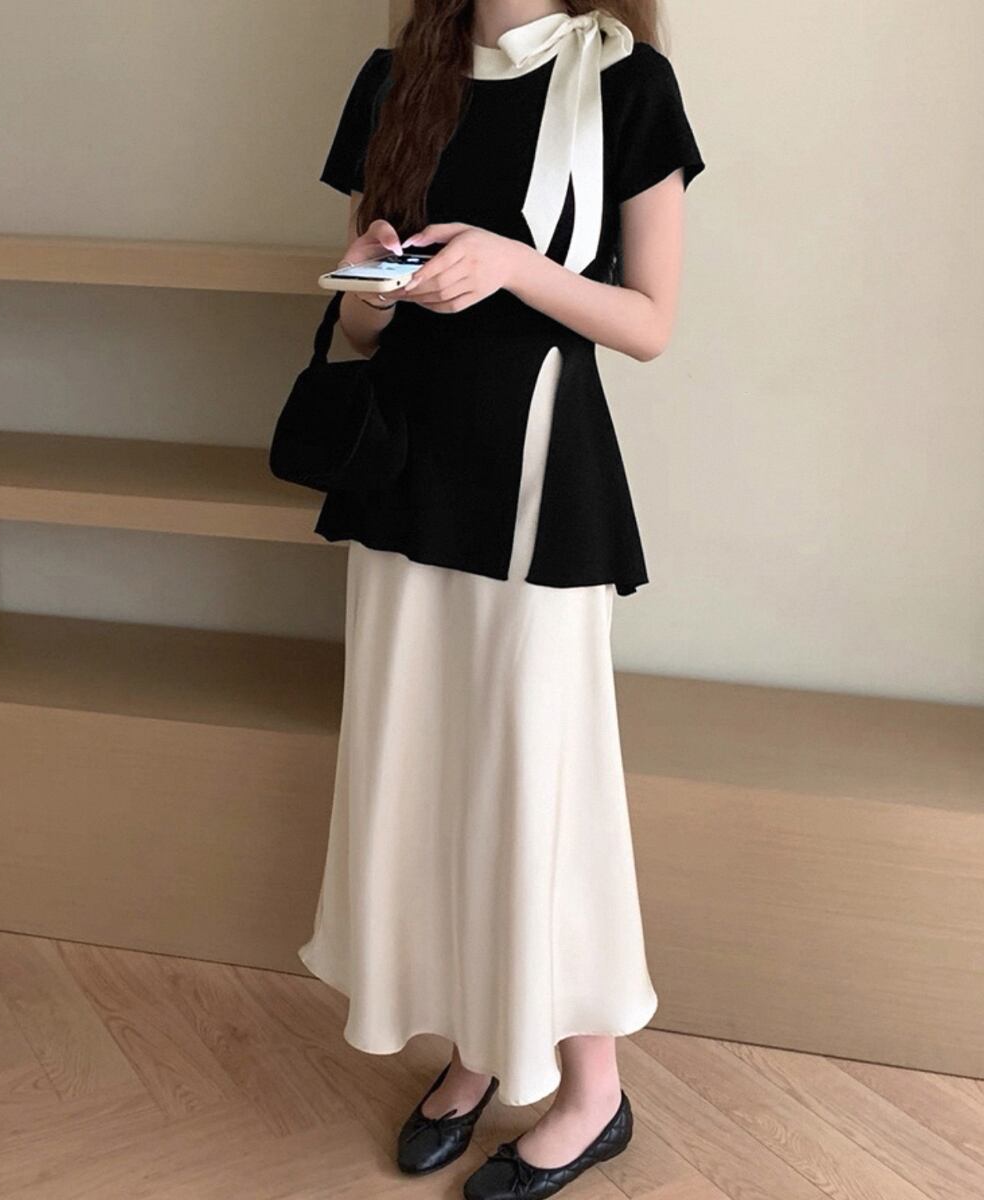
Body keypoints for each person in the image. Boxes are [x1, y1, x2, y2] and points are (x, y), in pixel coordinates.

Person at [297, 3, 705, 1196]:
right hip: (404, 477)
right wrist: (375, 285)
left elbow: (649, 324)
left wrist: (514, 265)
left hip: (537, 486)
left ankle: (592, 1092)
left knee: (540, 784)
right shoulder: (395, 78)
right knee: (426, 775)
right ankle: (476, 1048)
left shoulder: (627, 84)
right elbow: (357, 323)